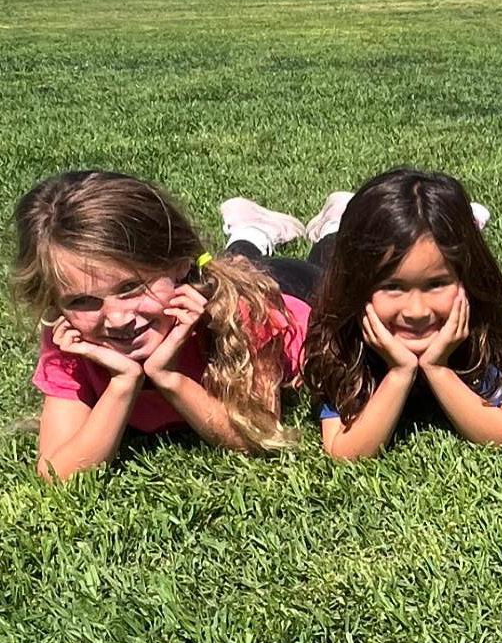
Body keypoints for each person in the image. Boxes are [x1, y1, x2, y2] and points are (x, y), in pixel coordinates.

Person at [11, 171, 310, 479]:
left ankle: (315, 223)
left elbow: (256, 436)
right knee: (235, 260)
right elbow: (57, 473)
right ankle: (251, 230)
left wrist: (168, 377)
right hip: (210, 277)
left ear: (179, 262)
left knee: (324, 258)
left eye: (131, 287)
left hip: (297, 289)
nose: (118, 319)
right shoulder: (70, 336)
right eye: (82, 301)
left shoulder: (243, 312)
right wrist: (123, 383)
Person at [303, 169, 502, 458]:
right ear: (356, 289)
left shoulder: (475, 331)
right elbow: (342, 451)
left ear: (467, 280)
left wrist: (438, 367)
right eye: (393, 286)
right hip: (306, 279)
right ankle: (330, 221)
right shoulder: (343, 340)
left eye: (437, 284)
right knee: (322, 257)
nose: (416, 311)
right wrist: (399, 372)